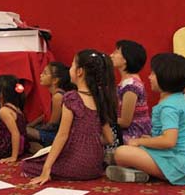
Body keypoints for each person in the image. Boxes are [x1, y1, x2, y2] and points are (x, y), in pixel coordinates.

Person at [106, 53, 185, 185]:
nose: (149, 77)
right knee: (127, 151)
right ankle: (139, 172)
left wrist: (139, 141)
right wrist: (148, 140)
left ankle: (145, 173)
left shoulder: (169, 107)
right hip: (177, 157)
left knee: (121, 152)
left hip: (180, 164)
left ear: (165, 78)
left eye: (153, 74)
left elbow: (169, 141)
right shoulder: (174, 99)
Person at [22, 49, 117, 184]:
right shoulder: (100, 99)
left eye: (72, 65)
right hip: (95, 166)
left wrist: (46, 169)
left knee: (28, 165)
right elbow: (109, 138)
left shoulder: (72, 98)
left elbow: (62, 135)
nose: (70, 69)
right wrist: (90, 141)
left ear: (79, 72)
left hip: (76, 164)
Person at [110, 40, 151, 144]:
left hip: (133, 134)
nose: (111, 55)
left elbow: (125, 122)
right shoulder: (126, 82)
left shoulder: (131, 86)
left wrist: (102, 118)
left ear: (126, 59)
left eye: (116, 52)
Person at [26, 62, 75, 150]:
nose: (41, 75)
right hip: (52, 131)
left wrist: (32, 129)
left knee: (22, 132)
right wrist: (30, 125)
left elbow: (53, 125)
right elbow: (44, 115)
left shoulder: (58, 97)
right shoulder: (55, 95)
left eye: (45, 73)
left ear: (55, 80)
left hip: (56, 135)